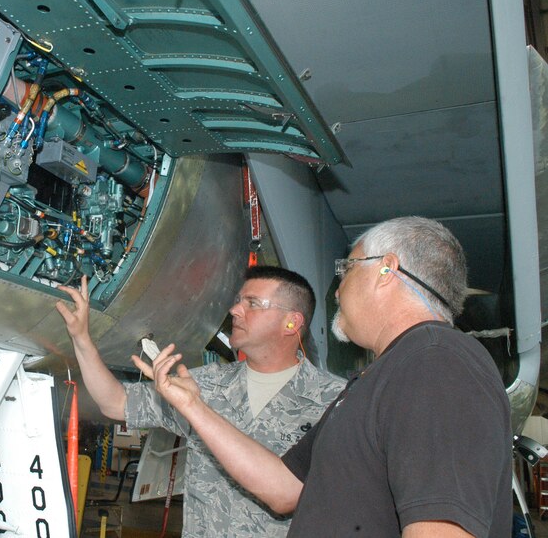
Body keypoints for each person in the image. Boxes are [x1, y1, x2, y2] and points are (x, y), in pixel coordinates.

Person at [138, 216, 512, 538]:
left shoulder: (436, 362)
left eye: (348, 269)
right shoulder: (378, 379)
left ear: (386, 270)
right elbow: (283, 489)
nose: (339, 288)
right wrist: (192, 405)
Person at [56, 266, 345, 537]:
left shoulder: (334, 402)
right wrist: (81, 339)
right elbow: (116, 402)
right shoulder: (206, 384)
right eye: (238, 300)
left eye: (253, 303)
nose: (234, 310)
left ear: (292, 322)